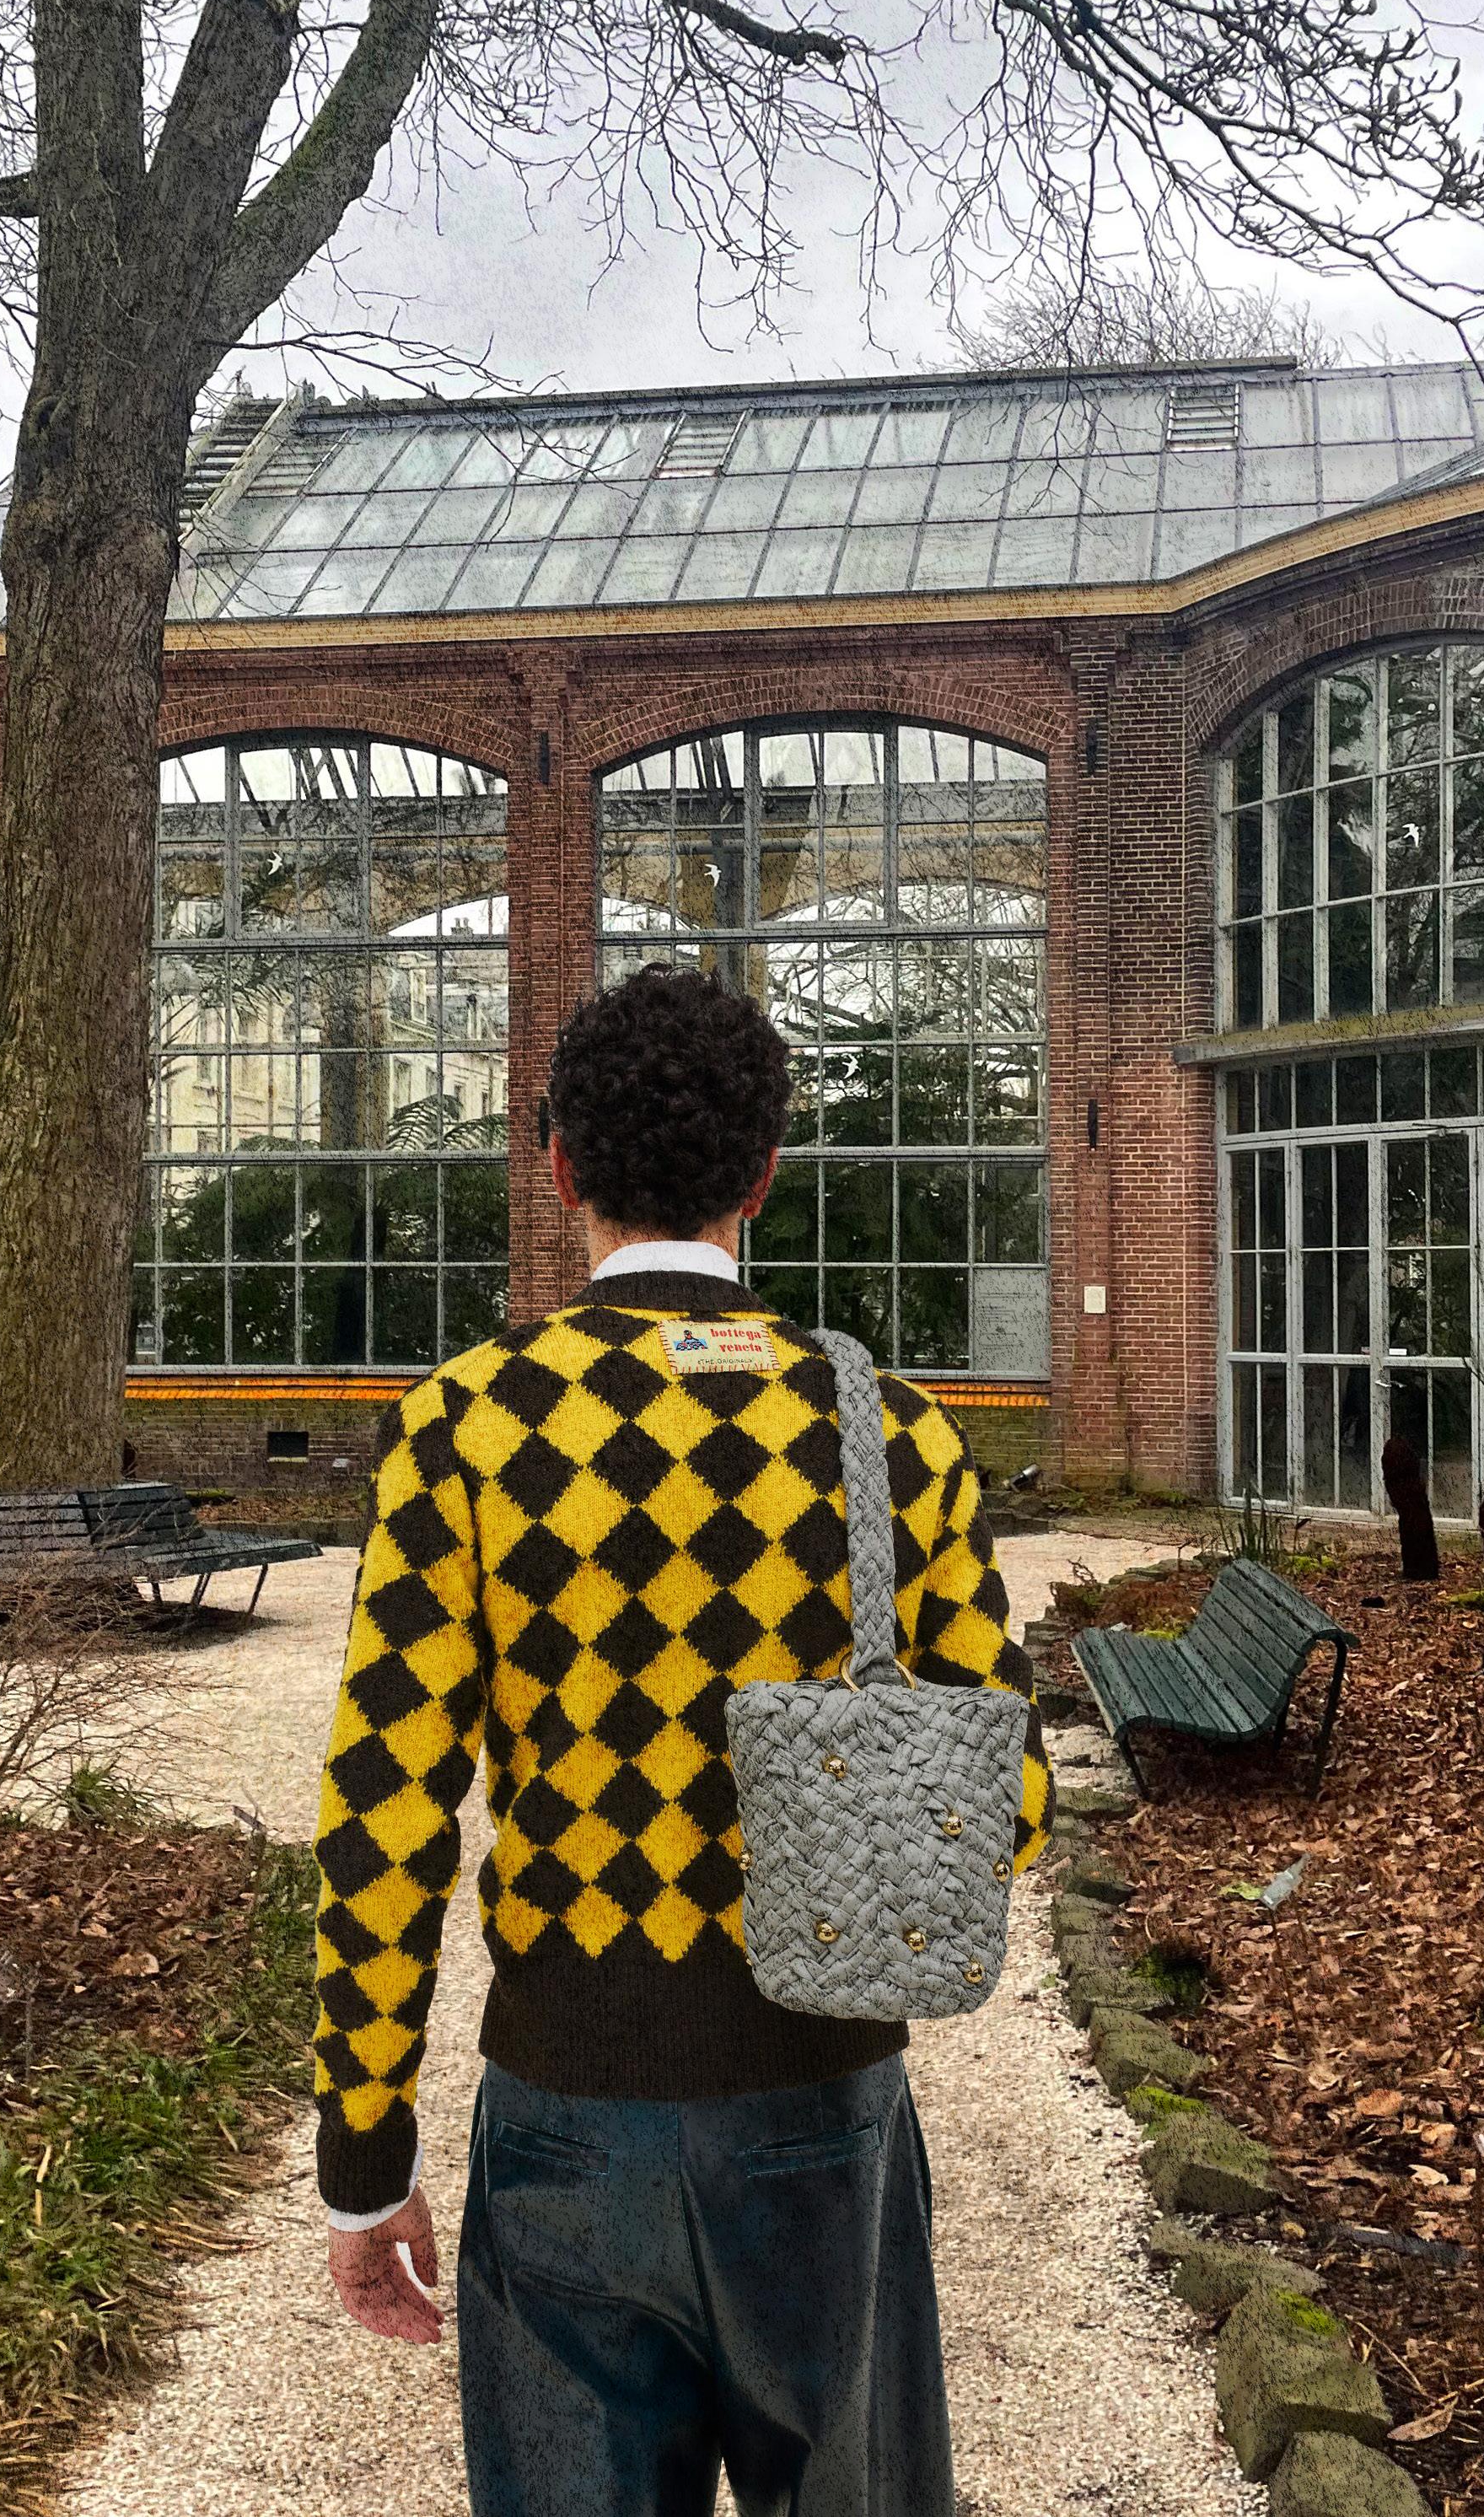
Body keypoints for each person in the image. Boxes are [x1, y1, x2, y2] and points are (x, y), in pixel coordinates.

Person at [312, 960, 1051, 2517]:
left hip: (566, 2116)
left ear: (560, 1168)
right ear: (763, 1175)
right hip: (822, 2107)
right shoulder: (894, 1432)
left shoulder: (465, 1426)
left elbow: (387, 1814)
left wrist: (364, 2159)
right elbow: (1015, 1807)